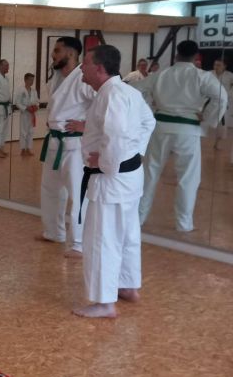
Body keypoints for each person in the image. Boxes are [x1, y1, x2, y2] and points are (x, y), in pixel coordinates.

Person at [74, 45, 155, 318]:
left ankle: (104, 302)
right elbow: (148, 122)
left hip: (111, 181)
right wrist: (131, 155)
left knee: (102, 239)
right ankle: (128, 286)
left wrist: (107, 163)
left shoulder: (113, 95)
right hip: (129, 178)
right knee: (128, 234)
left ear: (99, 68)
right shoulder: (128, 92)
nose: (81, 67)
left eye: (85, 63)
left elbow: (117, 135)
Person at [137, 41, 227, 232]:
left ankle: (138, 218)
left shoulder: (161, 74)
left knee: (150, 174)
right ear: (196, 57)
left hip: (161, 126)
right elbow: (222, 97)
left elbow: (137, 90)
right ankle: (184, 224)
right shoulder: (201, 76)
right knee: (188, 178)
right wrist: (207, 119)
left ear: (176, 54)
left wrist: (148, 110)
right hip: (188, 129)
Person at [38, 36, 95, 259]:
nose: (53, 55)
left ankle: (79, 242)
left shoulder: (83, 77)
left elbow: (103, 104)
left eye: (57, 51)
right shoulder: (57, 77)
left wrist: (87, 124)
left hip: (74, 145)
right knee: (50, 190)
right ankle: (54, 232)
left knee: (78, 193)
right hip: (54, 142)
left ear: (71, 53)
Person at [208, 58, 233, 150]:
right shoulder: (209, 74)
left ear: (224, 66)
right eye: (215, 64)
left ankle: (217, 143)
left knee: (222, 124)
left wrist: (228, 95)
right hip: (210, 101)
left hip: (223, 102)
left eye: (219, 65)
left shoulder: (230, 75)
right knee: (205, 122)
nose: (216, 67)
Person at [14, 72, 39, 156]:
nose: (32, 82)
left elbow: (37, 101)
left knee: (31, 131)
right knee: (23, 131)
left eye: (33, 80)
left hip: (32, 113)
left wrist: (36, 106)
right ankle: (22, 149)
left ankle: (28, 148)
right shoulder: (20, 90)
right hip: (24, 113)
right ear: (25, 80)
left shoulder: (34, 91)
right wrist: (26, 108)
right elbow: (17, 102)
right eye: (30, 80)